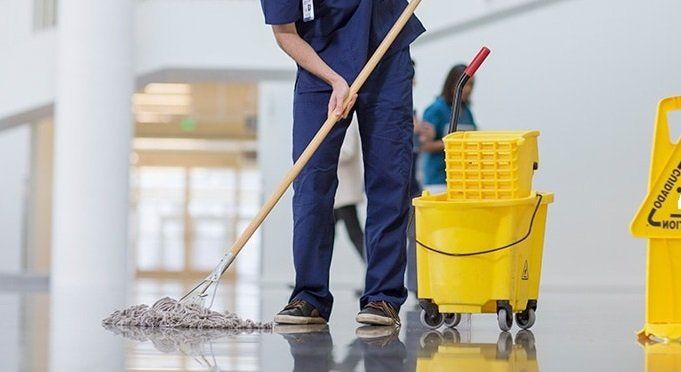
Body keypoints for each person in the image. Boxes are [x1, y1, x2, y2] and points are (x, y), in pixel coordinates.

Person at [260, 1, 425, 326]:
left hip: (386, 54)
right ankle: (309, 297)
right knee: (311, 183)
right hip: (318, 66)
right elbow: (284, 33)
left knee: (389, 181)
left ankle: (383, 297)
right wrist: (335, 80)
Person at [420, 64, 477, 193]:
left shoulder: (467, 112)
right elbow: (423, 146)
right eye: (465, 84)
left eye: (471, 85)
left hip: (463, 181)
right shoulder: (436, 110)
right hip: (438, 181)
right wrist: (454, 143)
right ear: (452, 83)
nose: (468, 89)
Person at [334, 119, 365, 263]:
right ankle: (309, 276)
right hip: (336, 193)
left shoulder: (349, 121)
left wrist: (322, 151)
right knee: (321, 234)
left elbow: (347, 151)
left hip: (344, 192)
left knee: (355, 235)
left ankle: (374, 275)